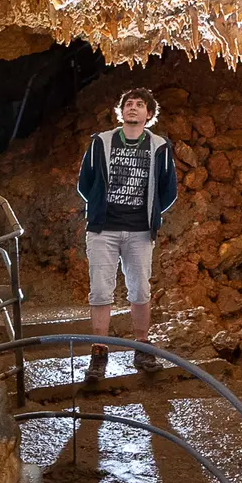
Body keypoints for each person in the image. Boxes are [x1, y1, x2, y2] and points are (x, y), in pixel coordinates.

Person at [75, 87, 178, 381]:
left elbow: (168, 190)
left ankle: (142, 347)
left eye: (140, 104)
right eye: (128, 104)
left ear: (149, 114)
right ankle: (99, 352)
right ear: (121, 112)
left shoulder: (160, 146)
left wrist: (150, 213)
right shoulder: (101, 142)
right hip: (103, 229)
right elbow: (86, 184)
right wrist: (98, 207)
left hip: (140, 231)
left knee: (140, 289)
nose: (133, 108)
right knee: (100, 290)